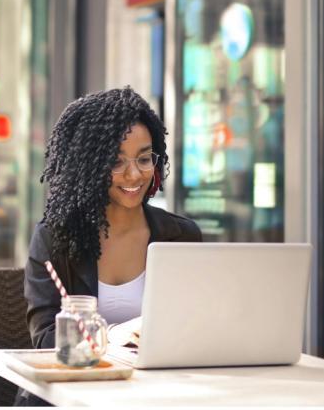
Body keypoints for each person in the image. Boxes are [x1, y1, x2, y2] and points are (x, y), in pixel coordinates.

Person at [17, 87, 202, 406]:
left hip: (161, 396)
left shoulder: (181, 236)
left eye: (144, 158)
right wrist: (112, 336)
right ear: (88, 167)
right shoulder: (55, 239)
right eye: (116, 162)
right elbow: (46, 340)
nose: (134, 174)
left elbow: (199, 326)